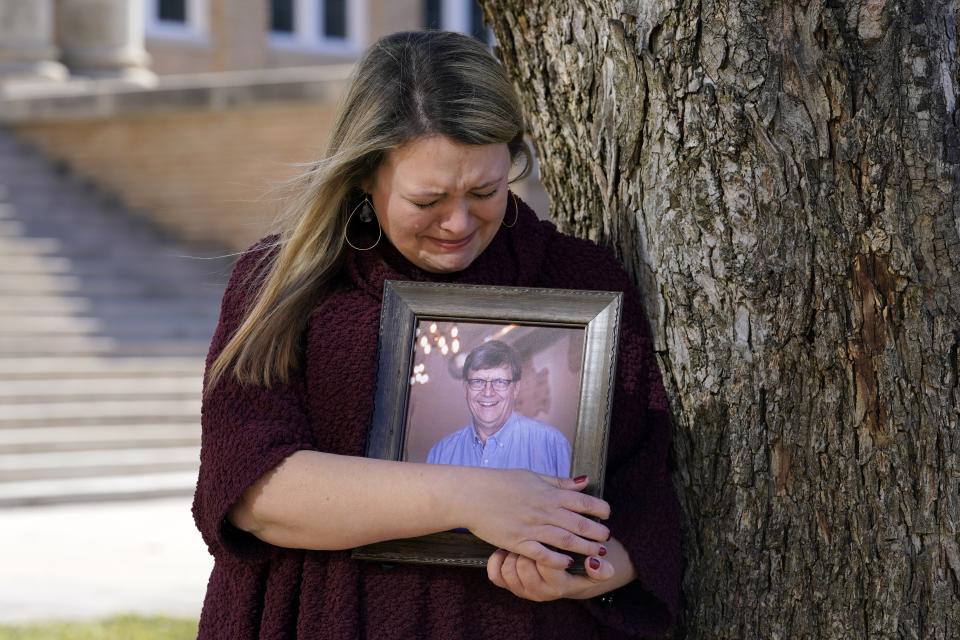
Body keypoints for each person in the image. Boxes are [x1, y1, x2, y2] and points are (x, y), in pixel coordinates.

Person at [193, 30, 680, 639]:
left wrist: (597, 570)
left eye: (485, 191)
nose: (458, 223)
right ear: (366, 177)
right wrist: (469, 497)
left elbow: (647, 489)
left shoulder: (585, 284)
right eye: (427, 199)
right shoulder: (281, 286)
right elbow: (251, 489)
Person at [427, 340, 572, 477]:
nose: (488, 392)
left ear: (515, 389)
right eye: (478, 381)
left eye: (499, 382)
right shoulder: (440, 454)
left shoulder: (553, 445)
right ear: (466, 389)